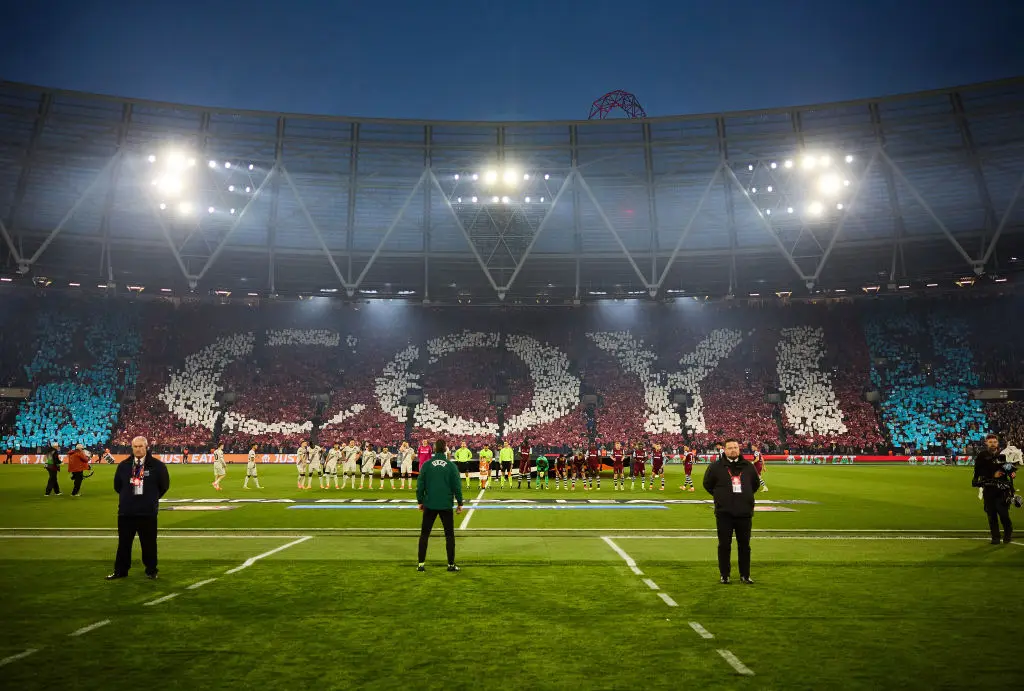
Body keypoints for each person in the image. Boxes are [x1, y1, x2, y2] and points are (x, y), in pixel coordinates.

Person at [108, 436, 170, 580]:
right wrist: (129, 498)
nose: (138, 449)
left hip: (147, 512)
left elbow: (164, 486)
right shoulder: (124, 465)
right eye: (135, 446)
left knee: (149, 543)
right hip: (126, 512)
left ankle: (151, 570)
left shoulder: (157, 466)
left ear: (146, 447)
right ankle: (120, 571)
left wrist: (149, 499)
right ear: (132, 448)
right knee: (123, 544)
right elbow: (118, 486)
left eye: (141, 446)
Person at [703, 438, 760, 584]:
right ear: (724, 450)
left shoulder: (748, 466)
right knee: (724, 545)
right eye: (730, 448)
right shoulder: (715, 467)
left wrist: (744, 499)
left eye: (735, 447)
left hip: (744, 513)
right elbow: (707, 484)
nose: (733, 450)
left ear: (739, 449)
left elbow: (754, 485)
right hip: (724, 513)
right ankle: (725, 574)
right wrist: (721, 497)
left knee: (745, 546)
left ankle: (745, 575)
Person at [416, 439, 464, 572]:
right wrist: (460, 502)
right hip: (445, 504)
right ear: (445, 449)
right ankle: (450, 564)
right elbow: (457, 486)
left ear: (434, 449)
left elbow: (420, 485)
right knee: (449, 535)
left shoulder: (426, 464)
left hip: (430, 504)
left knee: (424, 534)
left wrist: (420, 501)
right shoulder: (450, 465)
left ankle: (421, 564)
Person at [973, 433, 1014, 544]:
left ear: (997, 443)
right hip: (989, 488)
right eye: (990, 442)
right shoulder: (982, 455)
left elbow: (1007, 467)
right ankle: (995, 537)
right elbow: (977, 470)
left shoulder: (1002, 455)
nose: (993, 444)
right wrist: (976, 480)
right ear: (986, 443)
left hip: (1002, 489)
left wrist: (1011, 472)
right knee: (991, 515)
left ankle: (1008, 533)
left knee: (1003, 513)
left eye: (995, 442)